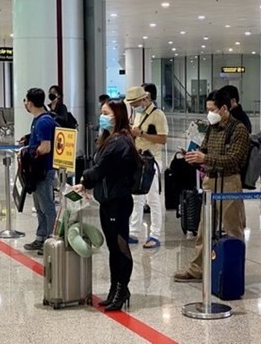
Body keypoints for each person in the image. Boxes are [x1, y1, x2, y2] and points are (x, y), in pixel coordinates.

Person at [173, 89, 249, 282]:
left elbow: (234, 160)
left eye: (212, 109)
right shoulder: (211, 127)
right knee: (204, 227)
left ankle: (234, 269)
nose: (209, 113)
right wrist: (194, 156)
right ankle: (198, 268)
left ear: (224, 108)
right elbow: (205, 149)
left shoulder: (238, 129)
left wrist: (205, 157)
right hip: (210, 179)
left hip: (230, 181)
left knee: (233, 228)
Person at [73, 99, 137, 311]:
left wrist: (84, 181)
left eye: (106, 113)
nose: (102, 116)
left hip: (118, 201)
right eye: (101, 112)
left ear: (117, 116)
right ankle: (114, 288)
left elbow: (100, 169)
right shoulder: (110, 139)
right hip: (108, 200)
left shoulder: (120, 141)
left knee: (120, 247)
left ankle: (122, 289)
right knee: (112, 247)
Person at [125, 86, 169, 248]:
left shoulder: (158, 115)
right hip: (139, 159)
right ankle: (134, 231)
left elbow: (163, 139)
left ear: (145, 99)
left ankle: (155, 234)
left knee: (152, 199)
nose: (133, 106)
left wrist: (141, 134)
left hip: (152, 160)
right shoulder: (138, 114)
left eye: (135, 102)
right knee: (137, 197)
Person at [22, 88, 57, 254]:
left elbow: (46, 147)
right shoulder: (38, 119)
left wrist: (29, 152)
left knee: (47, 206)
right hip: (37, 171)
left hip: (43, 170)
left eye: (25, 101)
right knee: (39, 206)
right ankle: (41, 237)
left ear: (30, 102)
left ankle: (52, 240)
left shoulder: (43, 121)